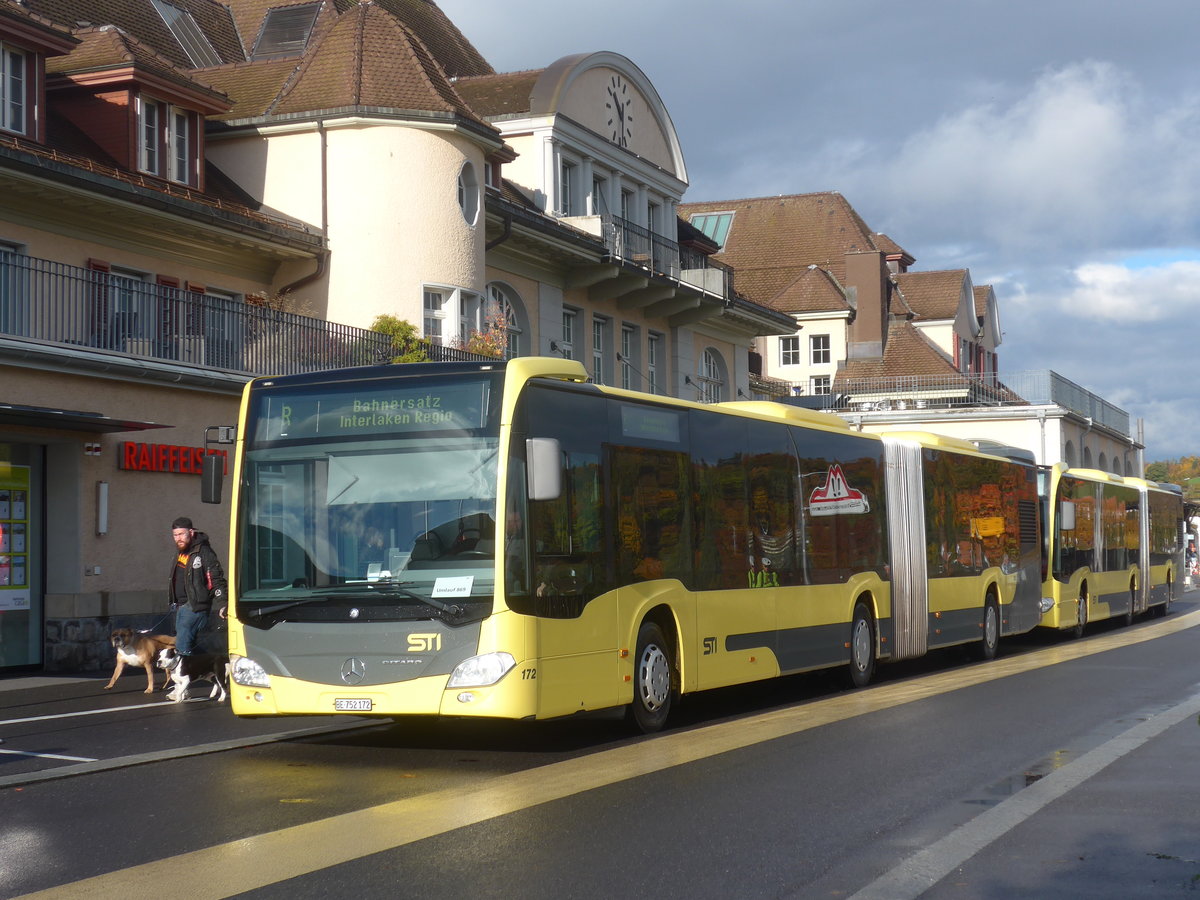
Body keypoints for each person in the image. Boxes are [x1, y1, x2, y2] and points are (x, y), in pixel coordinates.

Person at [169, 516, 227, 655]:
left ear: (191, 532)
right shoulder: (181, 551)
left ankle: (185, 669)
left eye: (181, 534)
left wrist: (223, 602)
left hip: (195, 606)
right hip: (181, 606)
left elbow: (215, 577)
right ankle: (208, 665)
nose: (178, 538)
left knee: (182, 647)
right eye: (175, 535)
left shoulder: (203, 551)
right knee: (190, 645)